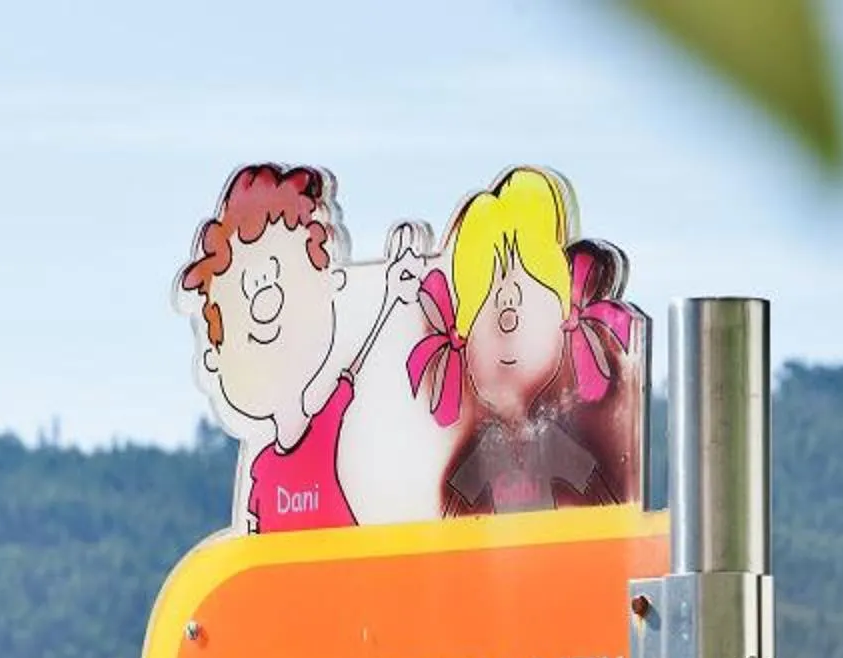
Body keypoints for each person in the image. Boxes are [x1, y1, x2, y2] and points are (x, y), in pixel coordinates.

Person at [177, 165, 429, 533]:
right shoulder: (261, 470)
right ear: (214, 357)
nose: (265, 301)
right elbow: (256, 541)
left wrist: (391, 294)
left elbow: (361, 362)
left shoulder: (325, 427)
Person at [405, 167, 642, 517]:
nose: (507, 300)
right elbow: (451, 513)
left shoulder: (554, 440)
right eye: (488, 293)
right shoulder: (485, 448)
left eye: (528, 283)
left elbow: (606, 506)